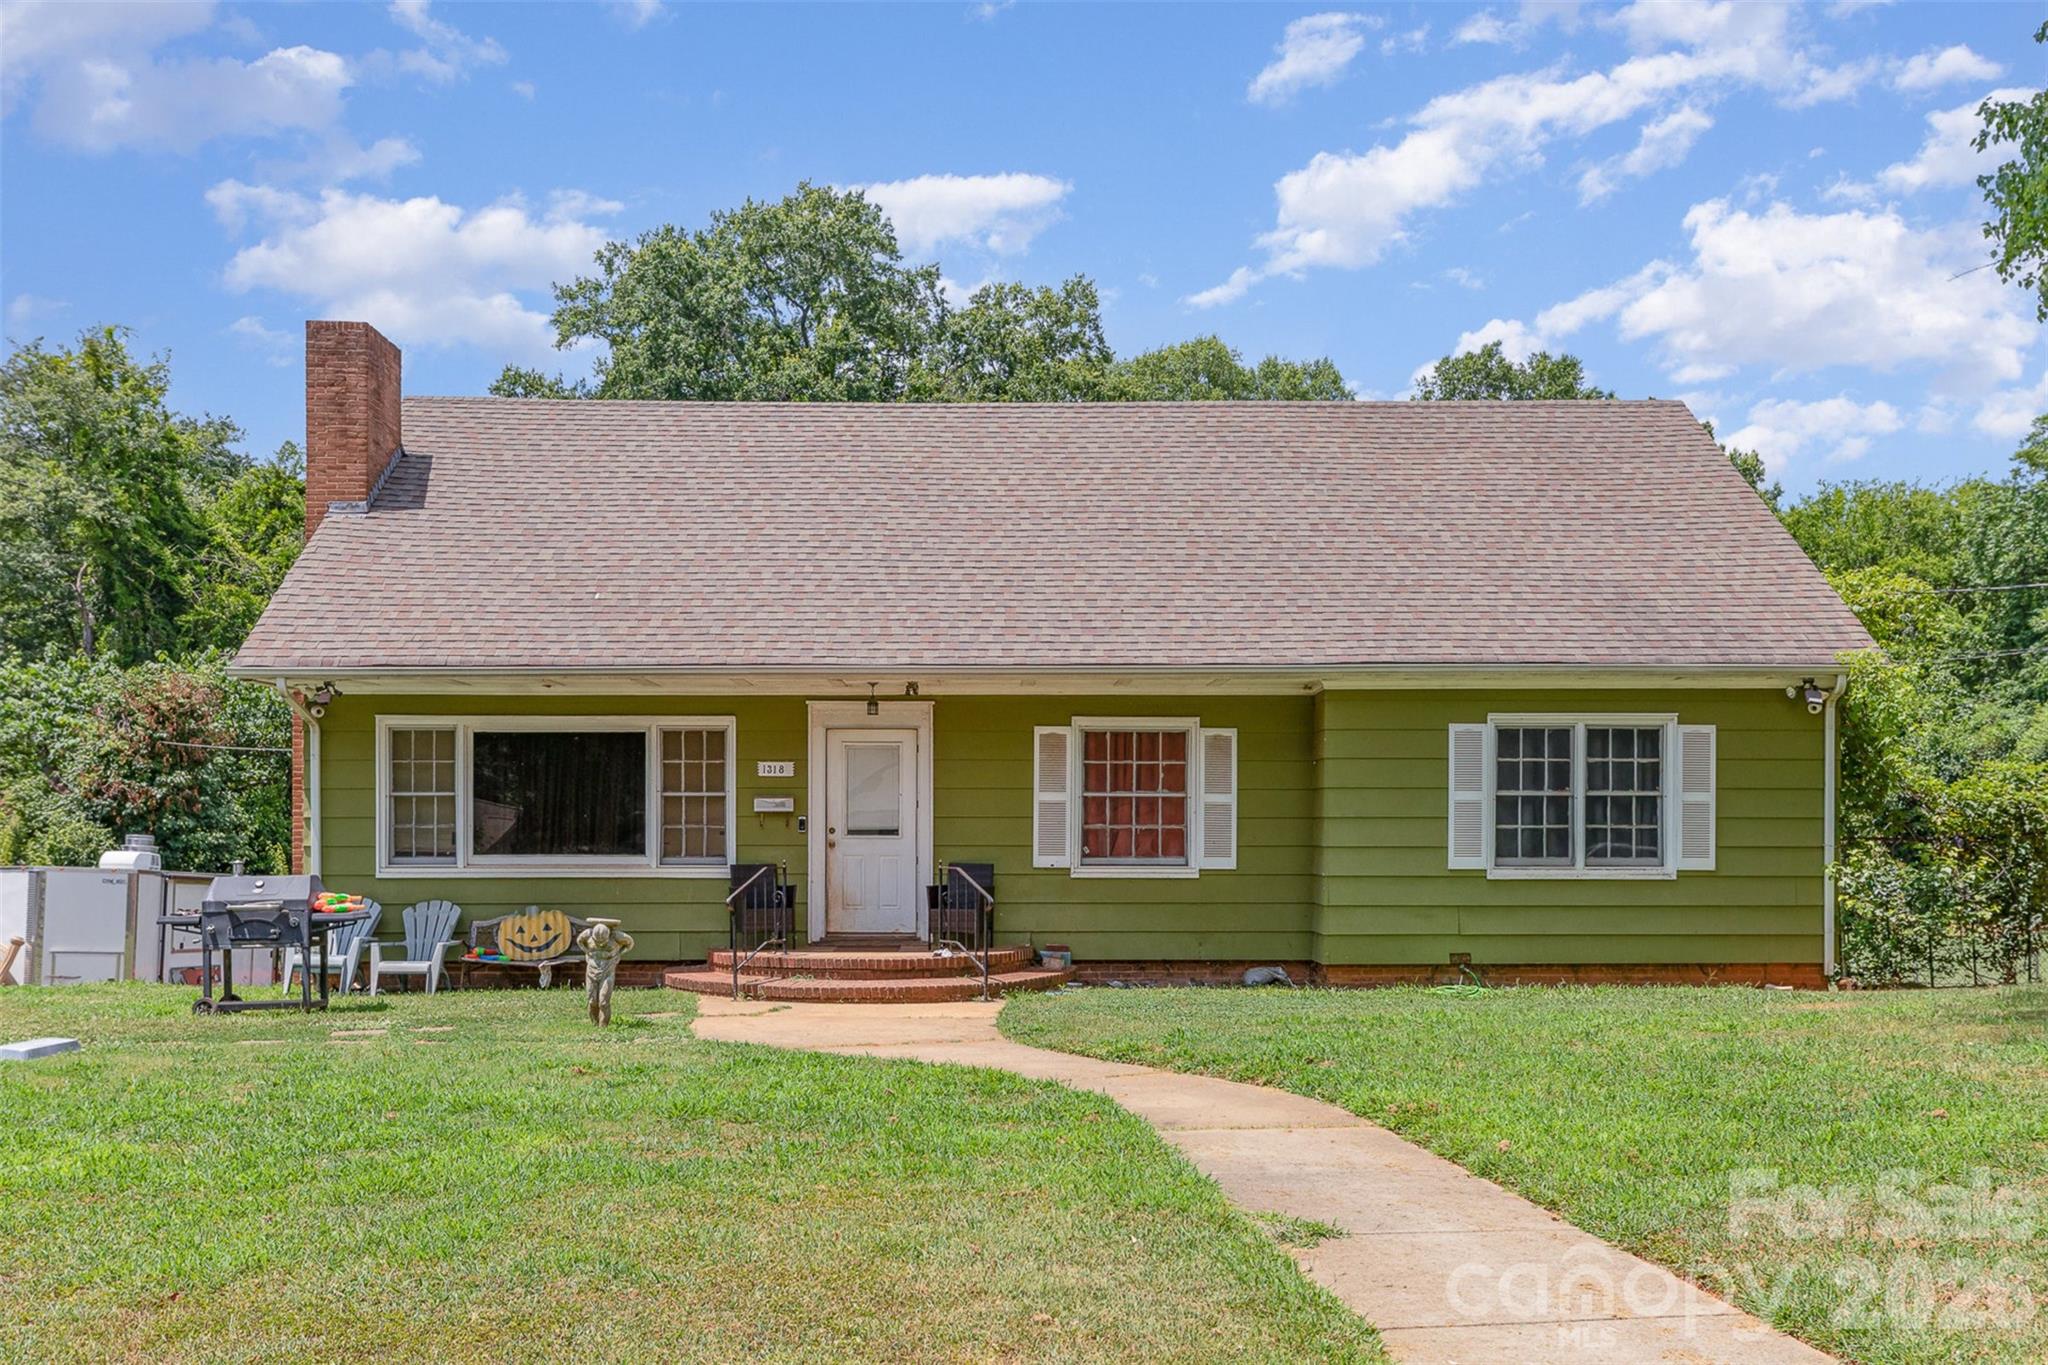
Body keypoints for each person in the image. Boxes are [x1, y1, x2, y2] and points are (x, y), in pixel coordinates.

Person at [577, 918, 633, 1026]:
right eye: (597, 942)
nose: (600, 945)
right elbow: (579, 941)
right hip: (591, 972)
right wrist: (587, 952)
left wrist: (619, 953)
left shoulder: (616, 936)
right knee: (592, 1001)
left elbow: (630, 943)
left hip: (607, 972)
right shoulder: (587, 934)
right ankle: (594, 1024)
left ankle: (603, 1027)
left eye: (603, 942)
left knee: (603, 1002)